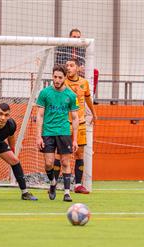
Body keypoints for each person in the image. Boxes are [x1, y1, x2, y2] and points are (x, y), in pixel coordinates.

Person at [36, 65, 79, 202]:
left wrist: (75, 139)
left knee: (65, 162)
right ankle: (53, 182)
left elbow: (75, 117)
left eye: (60, 77)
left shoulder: (71, 95)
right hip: (48, 132)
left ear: (65, 78)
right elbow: (40, 115)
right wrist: (38, 136)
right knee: (49, 163)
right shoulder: (45, 93)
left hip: (64, 132)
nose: (57, 80)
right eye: (55, 77)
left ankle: (67, 193)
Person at [53, 58, 96, 194]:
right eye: (67, 65)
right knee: (59, 155)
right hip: (64, 124)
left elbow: (88, 98)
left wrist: (94, 113)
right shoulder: (61, 82)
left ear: (78, 68)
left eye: (71, 65)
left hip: (81, 123)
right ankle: (53, 183)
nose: (69, 67)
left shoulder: (84, 83)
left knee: (79, 154)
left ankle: (77, 185)